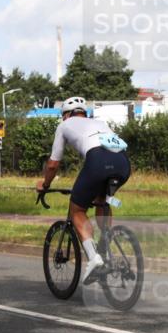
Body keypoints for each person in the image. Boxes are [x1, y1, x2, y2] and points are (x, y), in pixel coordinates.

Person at [37, 97, 131, 283]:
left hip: (97, 162)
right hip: (123, 164)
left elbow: (53, 164)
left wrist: (45, 185)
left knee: (77, 210)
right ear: (83, 113)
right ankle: (105, 248)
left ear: (66, 115)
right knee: (101, 199)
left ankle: (94, 258)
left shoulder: (64, 126)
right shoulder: (99, 122)